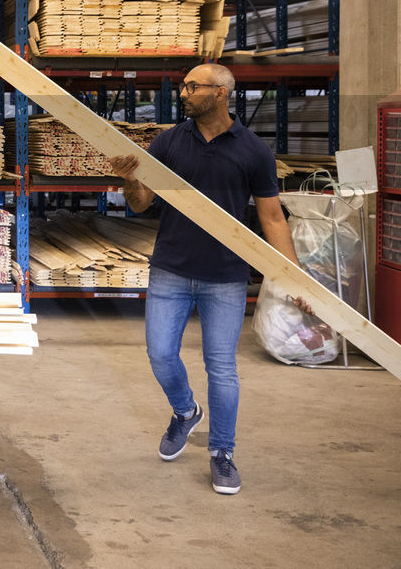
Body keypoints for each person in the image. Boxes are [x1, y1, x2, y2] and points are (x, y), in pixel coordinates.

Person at [109, 62, 300, 496]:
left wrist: (293, 278)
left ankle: (222, 453)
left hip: (225, 276)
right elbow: (142, 204)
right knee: (160, 354)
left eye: (194, 87)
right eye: (184, 86)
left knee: (222, 368)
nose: (184, 93)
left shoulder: (253, 150)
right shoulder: (169, 142)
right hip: (172, 269)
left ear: (221, 93)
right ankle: (184, 412)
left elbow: (272, 217)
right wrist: (128, 181)